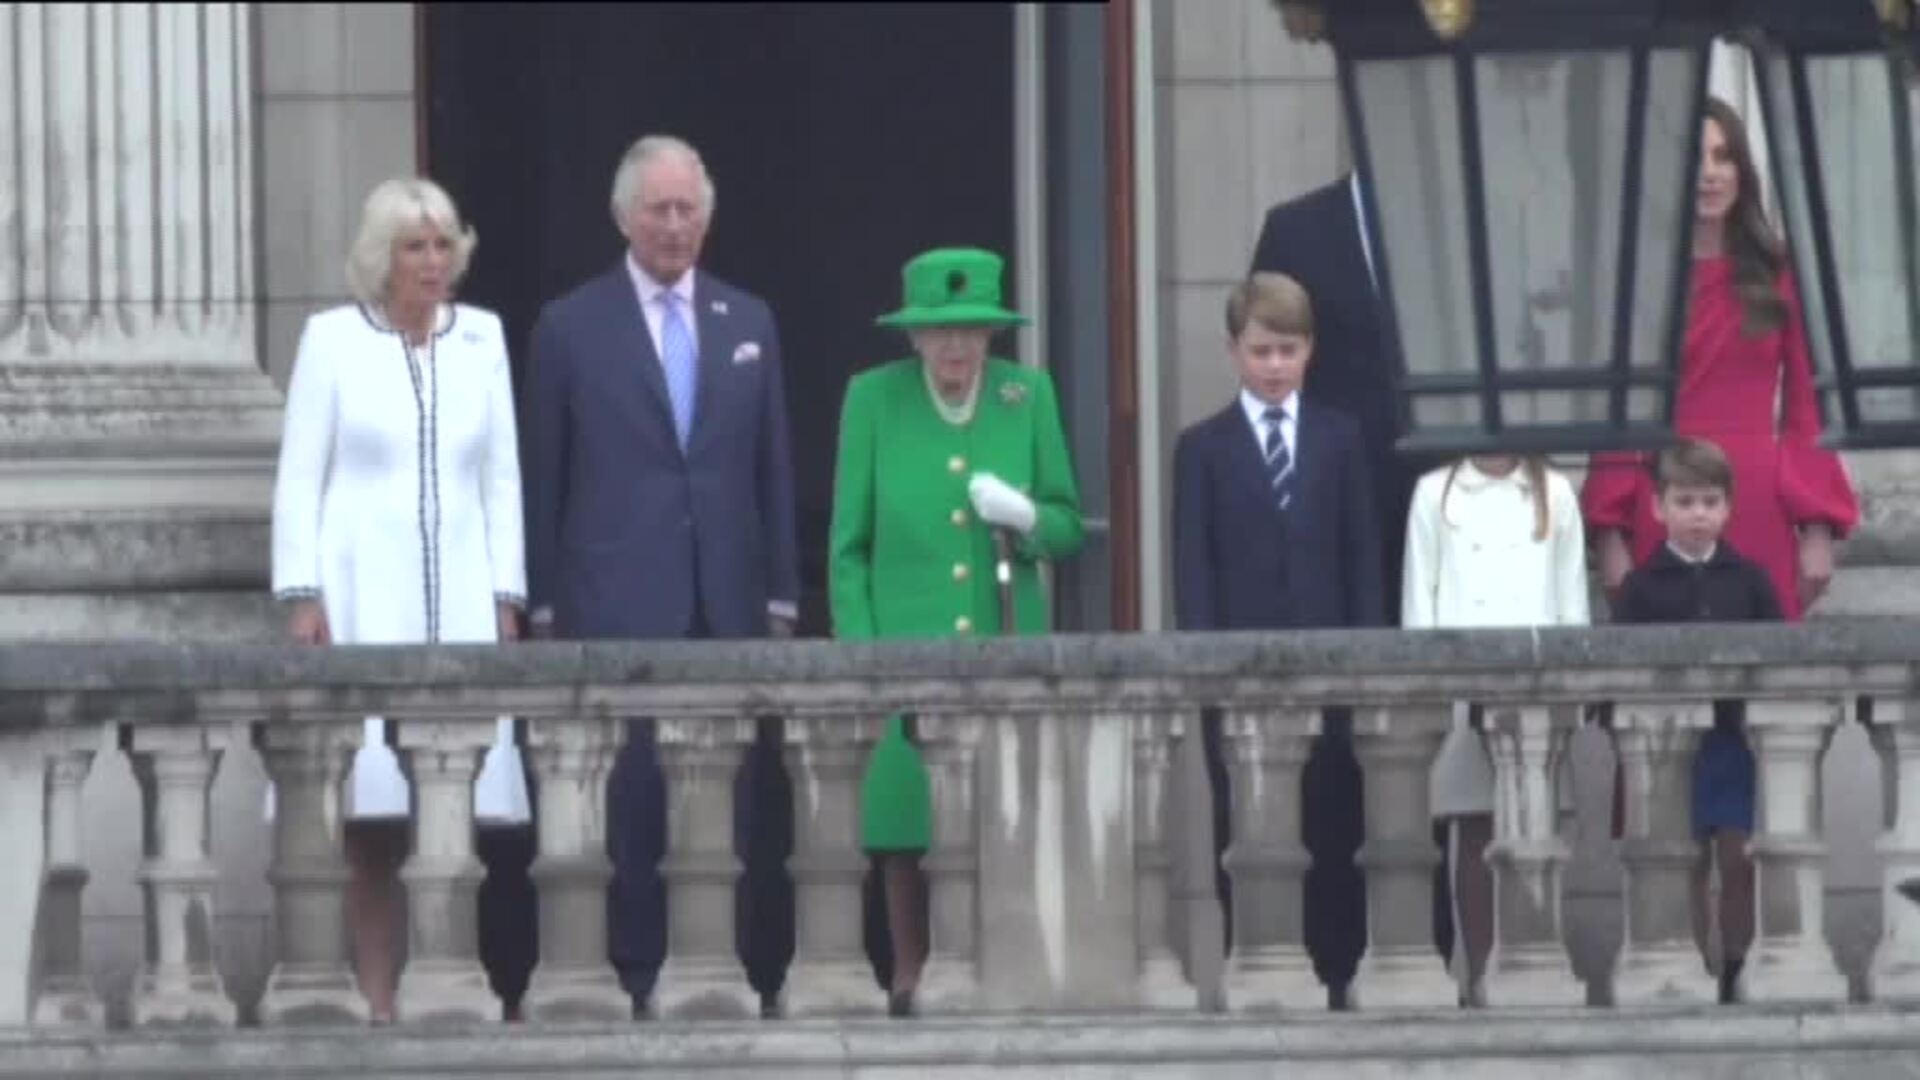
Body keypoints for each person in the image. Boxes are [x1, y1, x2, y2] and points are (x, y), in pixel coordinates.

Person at [520, 134, 801, 1016]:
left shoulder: (748, 321)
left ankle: (727, 966)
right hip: (615, 599)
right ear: (623, 216)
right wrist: (540, 601)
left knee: (732, 796)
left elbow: (772, 469)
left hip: (726, 598)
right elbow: (544, 477)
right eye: (659, 209)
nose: (676, 226)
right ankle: (637, 971)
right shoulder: (570, 325)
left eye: (689, 210)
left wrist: (782, 595)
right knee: (632, 796)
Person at [270, 177, 528, 1024]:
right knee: (371, 812)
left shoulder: (481, 338)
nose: (431, 261)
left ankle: (446, 987)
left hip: (457, 590)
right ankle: (378, 997)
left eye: (442, 243)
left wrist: (505, 593)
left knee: (453, 808)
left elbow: (500, 478)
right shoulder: (333, 341)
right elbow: (301, 476)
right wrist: (301, 593)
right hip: (360, 591)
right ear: (383, 258)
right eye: (414, 246)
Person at [829, 246, 1084, 1016]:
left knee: (1001, 811)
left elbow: (1070, 526)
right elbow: (848, 550)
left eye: (971, 331)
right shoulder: (872, 399)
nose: (956, 347)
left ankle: (1000, 960)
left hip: (1006, 643)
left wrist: (1029, 518)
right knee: (905, 814)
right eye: (940, 333)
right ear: (912, 336)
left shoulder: (1025, 394)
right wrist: (865, 659)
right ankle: (909, 967)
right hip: (904, 646)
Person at [1172, 271, 1382, 1009]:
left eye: (1287, 350)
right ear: (1233, 350)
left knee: (1332, 821)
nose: (1273, 365)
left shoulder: (1339, 437)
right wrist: (1211, 679)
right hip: (1239, 680)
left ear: (1310, 352)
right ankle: (1254, 969)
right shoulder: (1201, 449)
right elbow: (1194, 578)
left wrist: (1363, 669)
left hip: (1330, 676)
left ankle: (1334, 972)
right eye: (1260, 349)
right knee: (1250, 833)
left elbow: (1361, 561)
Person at [1583, 97, 1858, 621]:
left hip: (1756, 497)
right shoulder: (1636, 281)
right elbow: (1618, 414)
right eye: (1695, 159)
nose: (1709, 175)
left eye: (1723, 157)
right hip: (1662, 496)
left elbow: (1808, 407)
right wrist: (1611, 531)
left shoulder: (1780, 273)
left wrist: (1817, 526)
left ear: (1742, 171)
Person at [1402, 454, 1588, 1005]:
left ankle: (1535, 958)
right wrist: (1428, 690)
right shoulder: (1434, 491)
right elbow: (1420, 600)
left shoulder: (1554, 491)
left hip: (1537, 688)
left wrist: (1567, 690)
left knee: (1537, 828)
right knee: (1474, 830)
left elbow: (1571, 599)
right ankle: (1481, 969)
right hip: (1461, 686)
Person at [1612, 438, 1783, 1004]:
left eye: (1710, 501)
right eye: (1685, 502)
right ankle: (1691, 960)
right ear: (1659, 508)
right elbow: (1619, 673)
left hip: (1735, 743)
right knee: (1682, 860)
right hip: (1667, 751)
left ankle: (1736, 964)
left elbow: (1783, 663)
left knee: (1739, 859)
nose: (1698, 514)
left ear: (1728, 507)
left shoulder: (1751, 580)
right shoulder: (1639, 588)